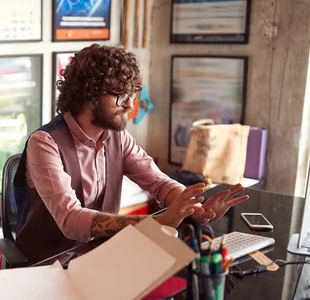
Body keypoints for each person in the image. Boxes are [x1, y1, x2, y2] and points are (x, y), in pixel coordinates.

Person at [14, 44, 248, 263]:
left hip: (100, 256)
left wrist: (193, 207)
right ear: (89, 95)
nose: (129, 105)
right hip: (49, 264)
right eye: (120, 96)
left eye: (132, 95)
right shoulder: (44, 142)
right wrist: (154, 223)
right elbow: (71, 220)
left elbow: (158, 183)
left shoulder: (117, 137)